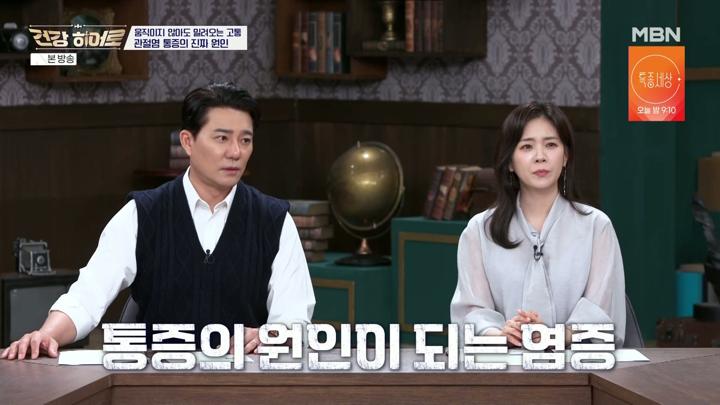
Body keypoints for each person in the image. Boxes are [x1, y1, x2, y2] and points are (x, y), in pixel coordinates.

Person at [1, 83, 315, 360]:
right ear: (188, 142)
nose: (235, 152)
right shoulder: (143, 214)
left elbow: (294, 320)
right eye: (222, 138)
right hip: (154, 380)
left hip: (243, 382)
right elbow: (86, 298)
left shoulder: (273, 220)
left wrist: (267, 336)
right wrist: (47, 335)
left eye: (245, 140)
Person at [450, 102, 626, 347]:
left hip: (575, 363)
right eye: (527, 146)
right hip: (504, 363)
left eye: (551, 145)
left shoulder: (597, 226)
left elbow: (603, 315)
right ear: (510, 162)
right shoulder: (479, 230)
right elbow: (471, 313)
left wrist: (552, 336)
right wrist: (500, 335)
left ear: (565, 156)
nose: (540, 156)